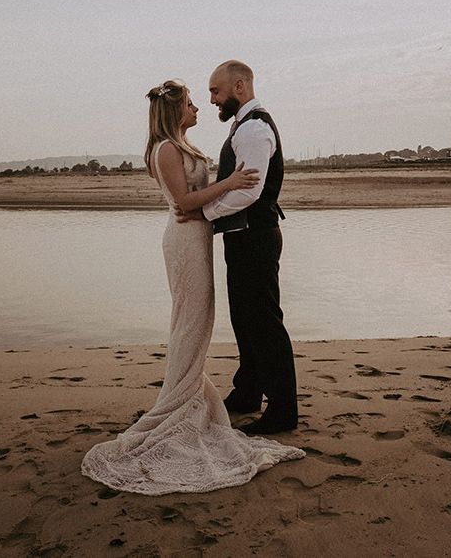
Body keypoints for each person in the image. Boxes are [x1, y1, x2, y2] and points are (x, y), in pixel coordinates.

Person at [80, 79, 304, 495]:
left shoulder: (181, 145)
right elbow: (184, 202)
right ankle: (177, 401)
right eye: (190, 102)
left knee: (200, 319)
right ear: (174, 111)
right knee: (190, 320)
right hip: (184, 242)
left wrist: (215, 201)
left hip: (198, 238)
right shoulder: (165, 149)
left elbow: (196, 199)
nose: (199, 106)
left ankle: (191, 393)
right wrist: (231, 185)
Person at [176, 60, 298, 435]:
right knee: (245, 320)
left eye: (216, 91)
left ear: (239, 86)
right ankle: (248, 392)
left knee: (264, 322)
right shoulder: (244, 125)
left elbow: (249, 190)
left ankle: (283, 410)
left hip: (256, 236)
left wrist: (206, 213)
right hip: (243, 236)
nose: (212, 99)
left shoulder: (255, 128)